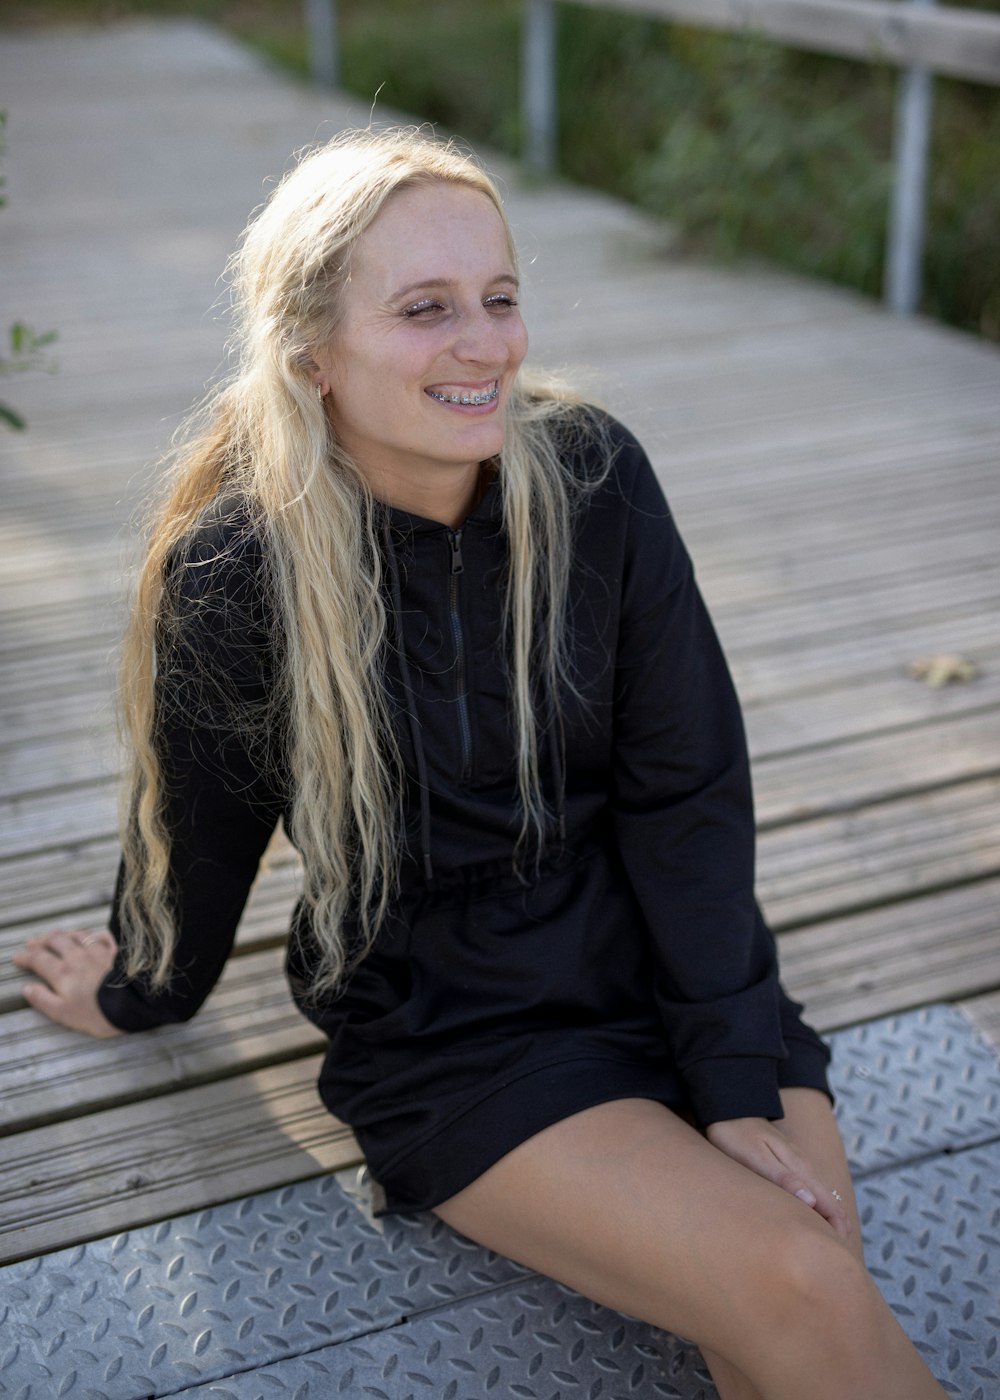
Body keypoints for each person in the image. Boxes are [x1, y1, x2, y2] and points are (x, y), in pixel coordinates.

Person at [14, 128, 947, 1400]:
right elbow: (204, 821)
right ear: (311, 352)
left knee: (799, 1288)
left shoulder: (595, 476)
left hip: (664, 958)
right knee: (801, 1280)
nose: (486, 342)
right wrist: (140, 986)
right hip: (461, 1024)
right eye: (424, 309)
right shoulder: (238, 574)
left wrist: (732, 1068)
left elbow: (687, 793)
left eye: (499, 298)